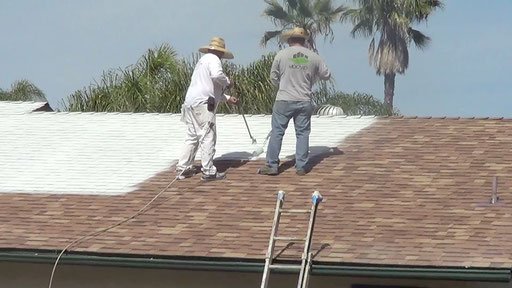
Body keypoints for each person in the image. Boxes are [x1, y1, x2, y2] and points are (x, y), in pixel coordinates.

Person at [258, 27, 331, 176]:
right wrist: (311, 78)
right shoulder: (314, 56)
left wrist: (283, 85)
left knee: (277, 132)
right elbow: (326, 75)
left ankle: (272, 165)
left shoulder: (281, 55)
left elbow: (273, 77)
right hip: (304, 100)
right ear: (304, 40)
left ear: (290, 40)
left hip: (284, 99)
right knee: (302, 133)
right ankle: (301, 167)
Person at [176, 37, 238, 181]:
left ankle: (183, 168)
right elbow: (217, 76)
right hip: (203, 105)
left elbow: (209, 87)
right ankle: (209, 171)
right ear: (220, 53)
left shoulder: (202, 61)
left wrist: (227, 98)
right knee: (208, 136)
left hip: (191, 103)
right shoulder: (214, 60)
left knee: (192, 137)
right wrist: (228, 82)